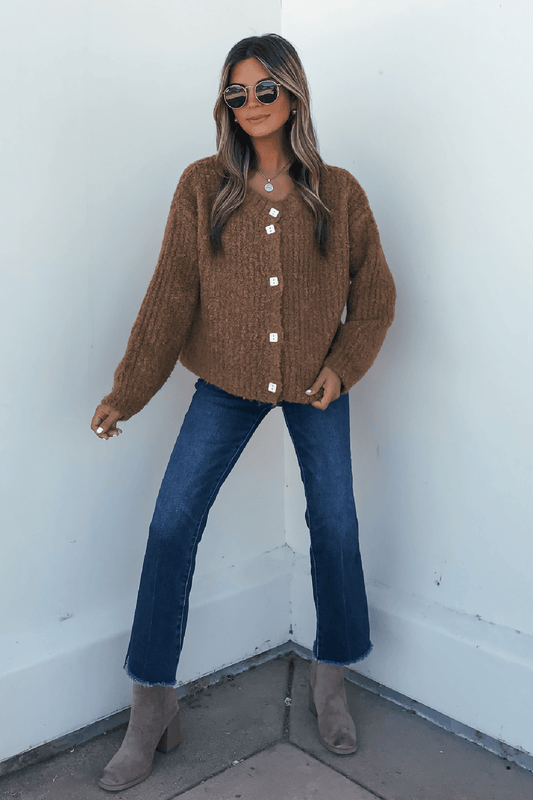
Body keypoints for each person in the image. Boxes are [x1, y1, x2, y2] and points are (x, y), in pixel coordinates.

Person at [91, 33, 396, 792]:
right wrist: (127, 391)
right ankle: (151, 704)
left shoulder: (339, 191)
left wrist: (341, 367)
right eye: (237, 92)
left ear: (293, 94)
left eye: (265, 89)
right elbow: (170, 298)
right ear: (224, 104)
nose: (252, 103)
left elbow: (377, 298)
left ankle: (330, 680)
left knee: (334, 524)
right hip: (224, 384)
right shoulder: (202, 186)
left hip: (314, 386)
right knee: (170, 524)